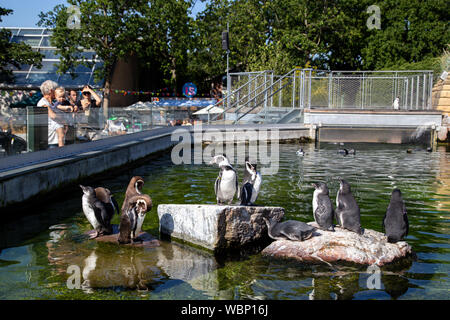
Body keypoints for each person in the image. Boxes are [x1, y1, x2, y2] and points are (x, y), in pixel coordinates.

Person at [37, 80, 67, 148]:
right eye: (55, 90)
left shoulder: (53, 103)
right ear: (51, 91)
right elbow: (53, 116)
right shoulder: (43, 103)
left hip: (57, 139)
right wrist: (65, 118)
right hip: (51, 141)